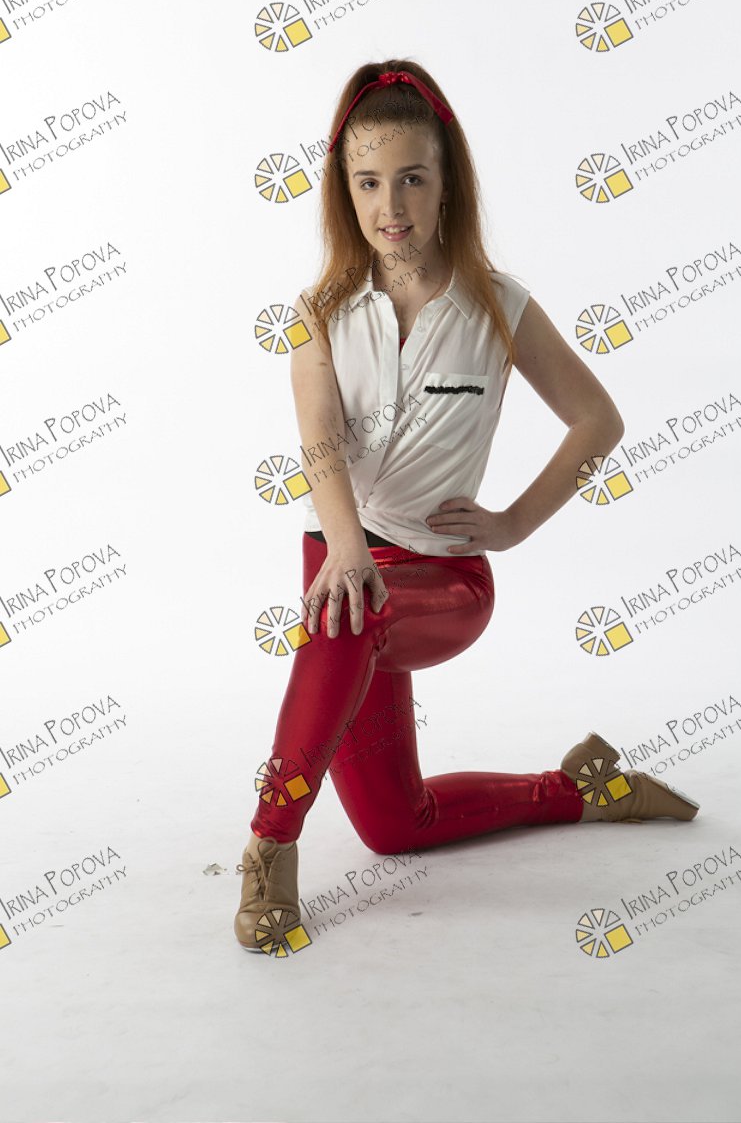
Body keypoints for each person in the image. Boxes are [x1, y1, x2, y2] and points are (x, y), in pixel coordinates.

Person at [234, 59, 700, 954]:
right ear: (343, 192)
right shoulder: (319, 312)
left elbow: (598, 419)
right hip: (342, 557)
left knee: (347, 612)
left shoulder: (497, 305)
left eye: (413, 178)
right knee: (392, 826)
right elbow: (319, 441)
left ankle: (269, 847)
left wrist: (515, 522)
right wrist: (346, 547)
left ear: (448, 184)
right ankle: (582, 788)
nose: (391, 206)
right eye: (369, 182)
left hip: (442, 578)